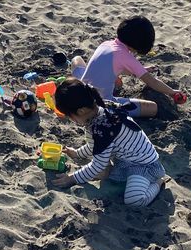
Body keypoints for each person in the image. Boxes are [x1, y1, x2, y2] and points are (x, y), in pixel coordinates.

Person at [49, 78, 168, 208]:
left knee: (134, 201)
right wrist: (77, 153)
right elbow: (94, 147)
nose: (71, 119)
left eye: (69, 116)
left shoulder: (102, 128)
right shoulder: (100, 109)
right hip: (125, 161)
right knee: (102, 174)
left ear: (81, 111)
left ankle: (157, 183)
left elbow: (98, 164)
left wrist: (72, 179)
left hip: (144, 165)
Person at [71, 15, 185, 117]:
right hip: (100, 104)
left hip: (81, 90)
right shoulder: (126, 57)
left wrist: (140, 70)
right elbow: (152, 82)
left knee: (77, 60)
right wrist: (172, 92)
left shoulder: (106, 44)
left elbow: (112, 66)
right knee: (152, 107)